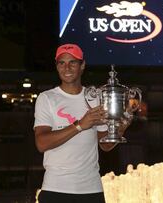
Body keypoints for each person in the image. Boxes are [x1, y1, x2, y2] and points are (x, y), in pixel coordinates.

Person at [33, 43, 117, 202]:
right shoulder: (47, 98)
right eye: (62, 63)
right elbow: (41, 143)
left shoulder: (95, 97)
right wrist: (79, 125)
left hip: (91, 189)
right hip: (56, 188)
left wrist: (120, 128)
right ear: (57, 66)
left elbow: (105, 145)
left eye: (73, 62)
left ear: (82, 65)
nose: (67, 68)